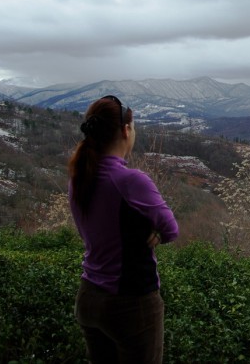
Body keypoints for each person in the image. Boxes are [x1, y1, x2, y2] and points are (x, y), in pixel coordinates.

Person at [67, 95, 179, 364]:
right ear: (126, 131)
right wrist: (158, 233)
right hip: (130, 303)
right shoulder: (130, 180)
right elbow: (171, 227)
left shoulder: (79, 177)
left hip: (89, 297)